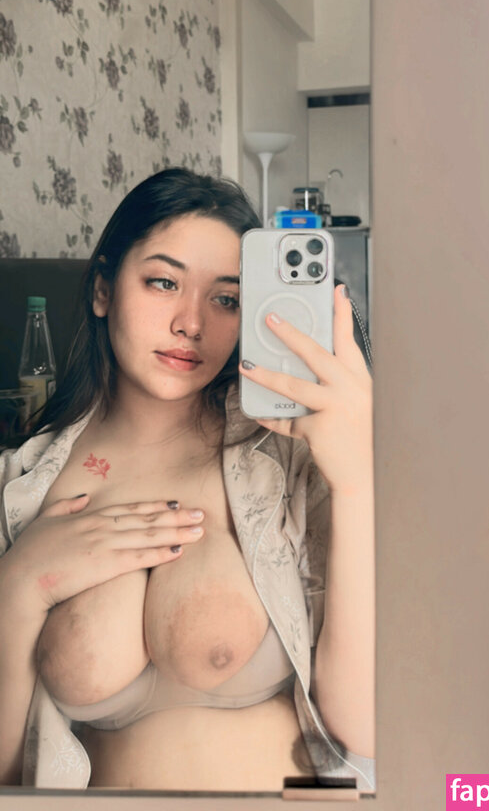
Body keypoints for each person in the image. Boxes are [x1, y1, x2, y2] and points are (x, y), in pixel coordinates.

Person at [0, 168, 375, 792]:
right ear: (102, 289)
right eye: (164, 282)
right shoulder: (22, 486)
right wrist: (17, 586)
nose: (191, 324)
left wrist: (358, 484)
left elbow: (363, 727)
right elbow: (6, 779)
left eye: (226, 299)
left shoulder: (289, 460)